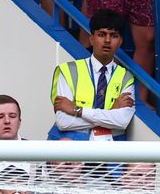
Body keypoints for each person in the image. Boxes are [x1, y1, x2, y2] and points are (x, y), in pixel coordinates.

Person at [50, 9, 136, 141]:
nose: (107, 40)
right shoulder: (68, 71)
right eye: (102, 34)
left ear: (120, 41)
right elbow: (63, 122)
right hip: (71, 145)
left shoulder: (126, 77)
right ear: (91, 39)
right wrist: (111, 112)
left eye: (114, 36)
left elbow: (122, 121)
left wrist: (77, 110)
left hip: (110, 150)